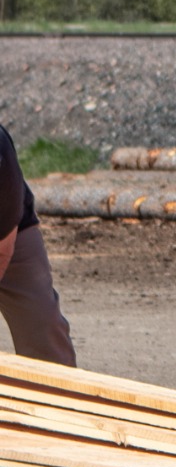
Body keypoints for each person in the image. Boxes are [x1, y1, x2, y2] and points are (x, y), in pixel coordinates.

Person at [0, 123, 77, 366]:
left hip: (5, 235)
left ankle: (61, 399)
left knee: (40, 322)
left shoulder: (1, 159)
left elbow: (3, 248)